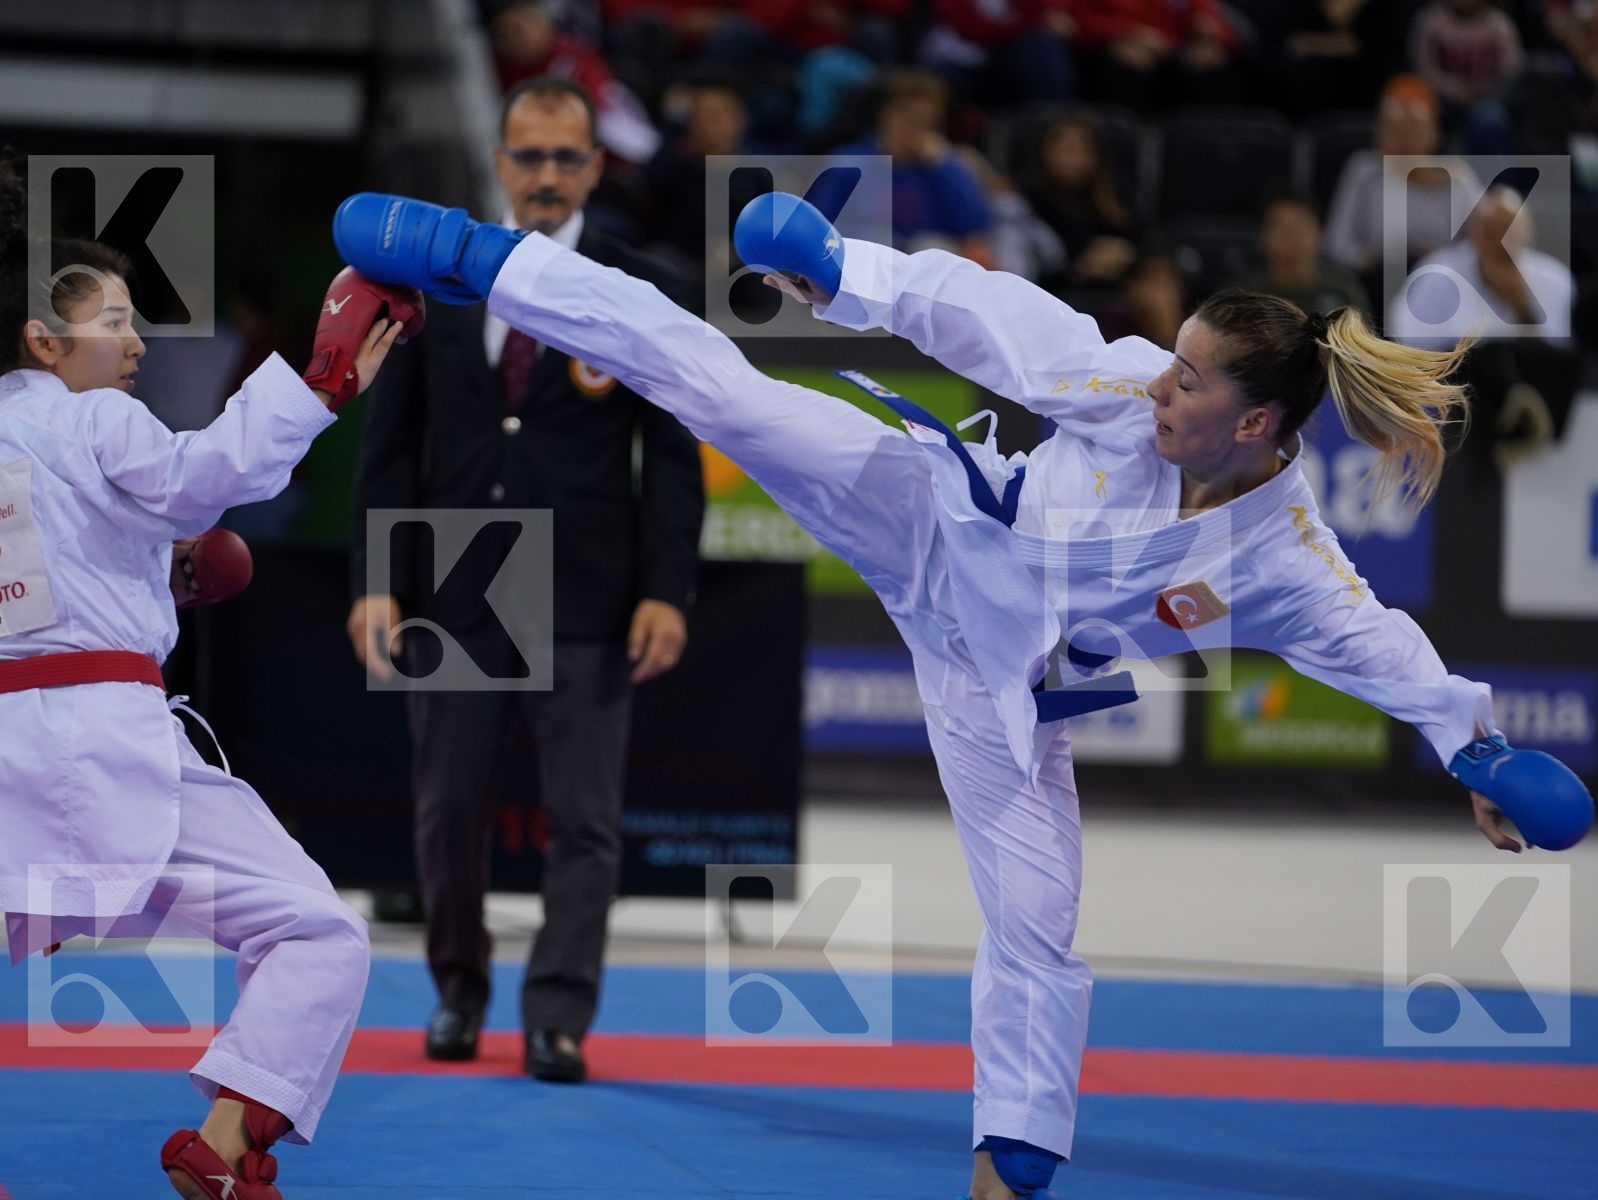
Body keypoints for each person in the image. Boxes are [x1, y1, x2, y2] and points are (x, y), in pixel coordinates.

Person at [331, 188, 1593, 1200]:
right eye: (1169, 367)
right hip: (924, 517)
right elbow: (990, 315)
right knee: (721, 388)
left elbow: (1383, 647)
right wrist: (838, 269)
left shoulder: (1286, 563)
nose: (1158, 386)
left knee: (1038, 922)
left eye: (1190, 385)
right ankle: (487, 260)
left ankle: (1010, 1170)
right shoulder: (1127, 394)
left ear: (1258, 429)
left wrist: (1473, 755)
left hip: (991, 684)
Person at [0, 155, 419, 1199]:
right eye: (113, 322)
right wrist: (318, 380)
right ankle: (229, 1143)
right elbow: (200, 479)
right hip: (106, 737)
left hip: (12, 761)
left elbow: (47, 583)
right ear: (44, 343)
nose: (137, 341)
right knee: (313, 927)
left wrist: (148, 577)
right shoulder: (88, 416)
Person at [346, 77, 703, 1083]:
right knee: (445, 810)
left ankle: (558, 1017)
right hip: (454, 579)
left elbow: (671, 454)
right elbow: (390, 441)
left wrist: (666, 588)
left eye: (564, 158)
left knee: (584, 819)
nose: (545, 175)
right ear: (498, 164)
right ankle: (457, 993)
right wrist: (377, 576)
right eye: (528, 156)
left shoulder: (638, 284)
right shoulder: (432, 281)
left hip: (589, 585)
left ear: (593, 166)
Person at [1233, 191, 1370, 318]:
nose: (1293, 238)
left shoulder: (1344, 290)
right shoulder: (1242, 296)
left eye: (1301, 228)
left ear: (1320, 234)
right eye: (1282, 229)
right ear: (1262, 237)